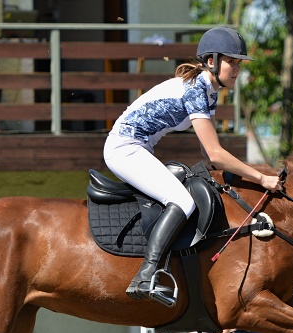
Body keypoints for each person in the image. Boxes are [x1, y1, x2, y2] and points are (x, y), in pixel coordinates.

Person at [104, 26, 282, 306]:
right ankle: (146, 275)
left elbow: (208, 154)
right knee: (182, 201)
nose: (237, 68)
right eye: (231, 61)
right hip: (124, 149)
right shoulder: (197, 90)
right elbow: (216, 152)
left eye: (238, 63)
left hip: (140, 148)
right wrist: (261, 178)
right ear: (211, 61)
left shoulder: (208, 90)